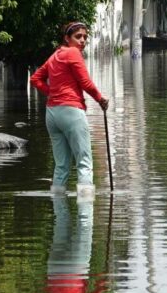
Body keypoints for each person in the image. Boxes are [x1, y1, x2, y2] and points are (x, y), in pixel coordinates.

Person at [30, 22, 109, 201]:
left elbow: (35, 79)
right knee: (84, 163)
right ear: (67, 38)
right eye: (78, 37)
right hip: (71, 112)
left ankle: (58, 207)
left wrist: (52, 92)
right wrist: (100, 99)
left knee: (61, 166)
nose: (82, 41)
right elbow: (85, 83)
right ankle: (86, 208)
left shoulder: (55, 56)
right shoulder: (73, 53)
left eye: (85, 37)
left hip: (52, 114)